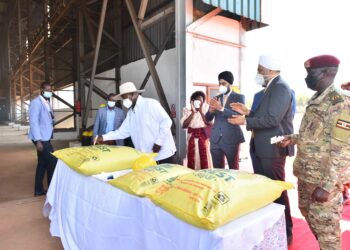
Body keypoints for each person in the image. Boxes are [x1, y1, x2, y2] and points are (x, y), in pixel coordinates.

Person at [279, 55, 350, 249]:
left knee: (327, 230)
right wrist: (292, 138)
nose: (306, 77)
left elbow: (343, 149)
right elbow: (315, 135)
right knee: (310, 216)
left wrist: (327, 186)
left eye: (310, 73)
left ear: (327, 73)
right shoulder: (317, 99)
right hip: (306, 176)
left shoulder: (339, 103)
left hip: (322, 180)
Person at [228, 55, 294, 244]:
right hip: (261, 147)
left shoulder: (280, 87)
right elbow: (265, 115)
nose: (258, 73)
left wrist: (246, 121)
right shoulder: (269, 88)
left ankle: (286, 231)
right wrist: (247, 111)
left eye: (260, 69)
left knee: (276, 189)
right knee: (265, 190)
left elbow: (273, 120)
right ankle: (271, 228)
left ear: (269, 69)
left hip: (272, 149)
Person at [96, 82, 176, 164]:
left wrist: (159, 142)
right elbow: (122, 132)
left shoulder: (151, 104)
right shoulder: (130, 113)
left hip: (163, 155)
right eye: (123, 98)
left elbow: (166, 121)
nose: (124, 101)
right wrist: (103, 137)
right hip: (147, 158)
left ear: (134, 94)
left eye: (125, 97)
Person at [205, 71, 245, 170]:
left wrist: (221, 108)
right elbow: (207, 118)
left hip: (231, 138)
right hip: (215, 140)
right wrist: (210, 111)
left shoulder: (239, 97)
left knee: (233, 169)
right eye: (219, 83)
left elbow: (238, 116)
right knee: (217, 170)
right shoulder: (216, 98)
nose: (221, 86)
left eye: (223, 83)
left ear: (230, 83)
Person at [28, 82, 58, 196]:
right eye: (47, 90)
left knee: (42, 163)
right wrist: (38, 141)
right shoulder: (36, 103)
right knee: (53, 161)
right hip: (40, 138)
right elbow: (34, 122)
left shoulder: (46, 102)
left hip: (45, 136)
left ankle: (38, 190)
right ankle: (51, 189)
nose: (50, 92)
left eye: (51, 90)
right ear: (41, 90)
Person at [181, 91, 212, 170]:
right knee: (192, 159)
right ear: (192, 101)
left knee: (205, 159)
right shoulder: (187, 110)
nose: (198, 103)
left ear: (203, 102)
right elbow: (184, 125)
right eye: (196, 101)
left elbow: (208, 123)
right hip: (191, 138)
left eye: (200, 101)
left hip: (203, 139)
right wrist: (192, 113)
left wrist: (201, 111)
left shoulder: (207, 109)